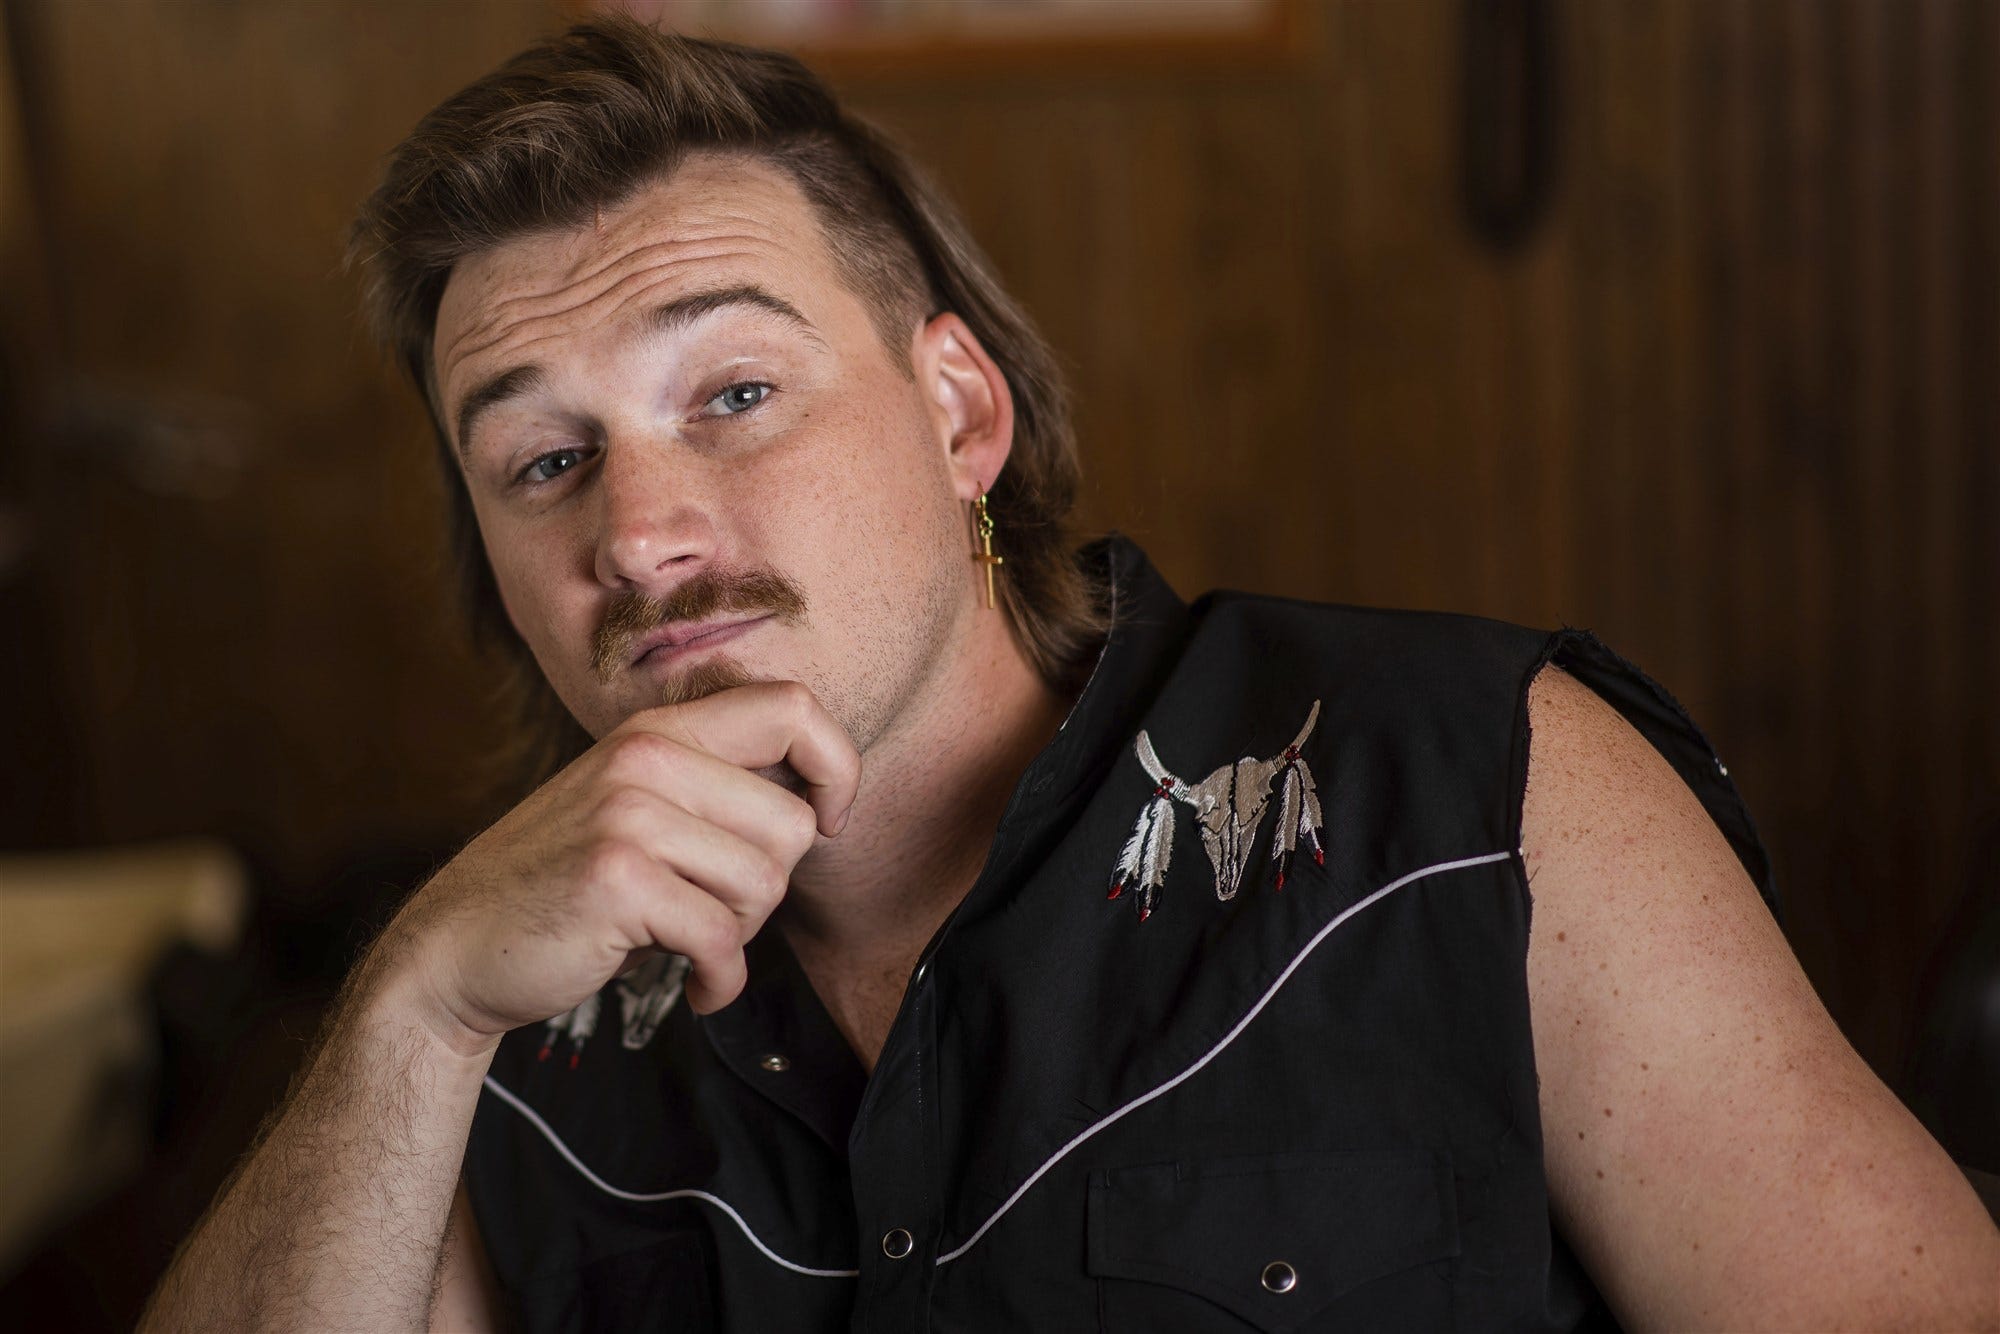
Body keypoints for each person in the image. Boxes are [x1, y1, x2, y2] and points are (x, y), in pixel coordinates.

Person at [141, 19, 1999, 1333]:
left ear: (959, 412)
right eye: (545, 460)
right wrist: (414, 1013)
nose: (638, 533)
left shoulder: (1473, 795)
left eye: (736, 392)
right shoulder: (509, 1021)